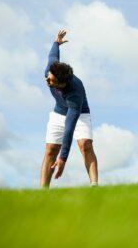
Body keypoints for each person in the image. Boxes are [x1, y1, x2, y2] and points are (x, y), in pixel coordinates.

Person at [40, 30, 98, 188]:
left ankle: (94, 186)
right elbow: (52, 57)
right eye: (48, 76)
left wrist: (63, 158)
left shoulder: (75, 93)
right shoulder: (50, 71)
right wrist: (56, 43)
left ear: (61, 84)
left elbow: (69, 128)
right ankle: (42, 192)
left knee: (85, 144)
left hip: (79, 114)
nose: (47, 80)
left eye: (51, 80)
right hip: (59, 112)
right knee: (51, 149)